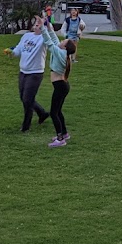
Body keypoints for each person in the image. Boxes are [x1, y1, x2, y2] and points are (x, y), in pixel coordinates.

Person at [2, 14, 49, 132]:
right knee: (24, 98)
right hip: (23, 72)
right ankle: (42, 113)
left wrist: (45, 24)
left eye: (39, 24)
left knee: (27, 99)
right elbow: (19, 49)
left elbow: (50, 37)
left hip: (35, 73)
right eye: (36, 23)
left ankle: (26, 126)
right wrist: (12, 52)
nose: (36, 25)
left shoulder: (44, 39)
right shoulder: (26, 36)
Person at [43, 8, 77, 147]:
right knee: (58, 111)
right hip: (62, 86)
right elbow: (54, 38)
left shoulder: (60, 53)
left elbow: (49, 42)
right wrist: (48, 25)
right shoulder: (63, 52)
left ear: (65, 47)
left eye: (65, 41)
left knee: (53, 113)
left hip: (60, 87)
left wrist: (42, 28)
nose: (62, 40)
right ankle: (65, 133)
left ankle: (60, 139)